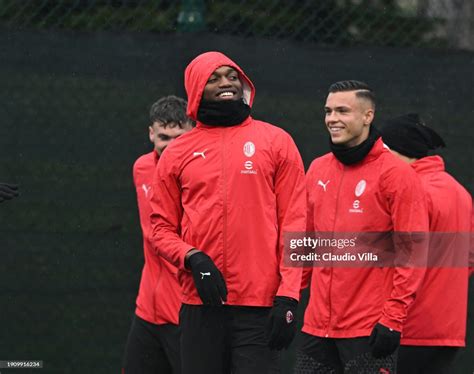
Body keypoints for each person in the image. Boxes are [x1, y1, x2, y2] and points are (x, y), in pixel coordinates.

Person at [149, 51, 306, 374]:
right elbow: (160, 229)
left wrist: (289, 296)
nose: (227, 84)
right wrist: (193, 257)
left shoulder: (276, 141)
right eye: (215, 78)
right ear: (195, 88)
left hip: (260, 308)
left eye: (232, 76)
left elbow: (295, 223)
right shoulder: (177, 152)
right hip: (200, 306)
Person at [294, 81, 429, 373]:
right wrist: (288, 298)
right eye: (328, 111)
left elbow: (413, 253)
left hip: (368, 330)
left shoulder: (396, 174)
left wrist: (393, 318)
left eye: (343, 110)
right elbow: (305, 242)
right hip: (316, 329)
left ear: (368, 116)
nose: (332, 118)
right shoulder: (317, 168)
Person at [380, 113, 472, 374]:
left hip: (406, 329)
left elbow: (392, 260)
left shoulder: (410, 191)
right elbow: (468, 260)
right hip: (448, 333)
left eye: (382, 150)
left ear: (397, 150)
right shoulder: (459, 192)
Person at [122, 95, 194, 374]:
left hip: (185, 314)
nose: (171, 147)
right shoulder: (141, 168)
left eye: (180, 138)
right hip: (147, 310)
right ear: (151, 133)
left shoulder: (203, 176)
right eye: (164, 137)